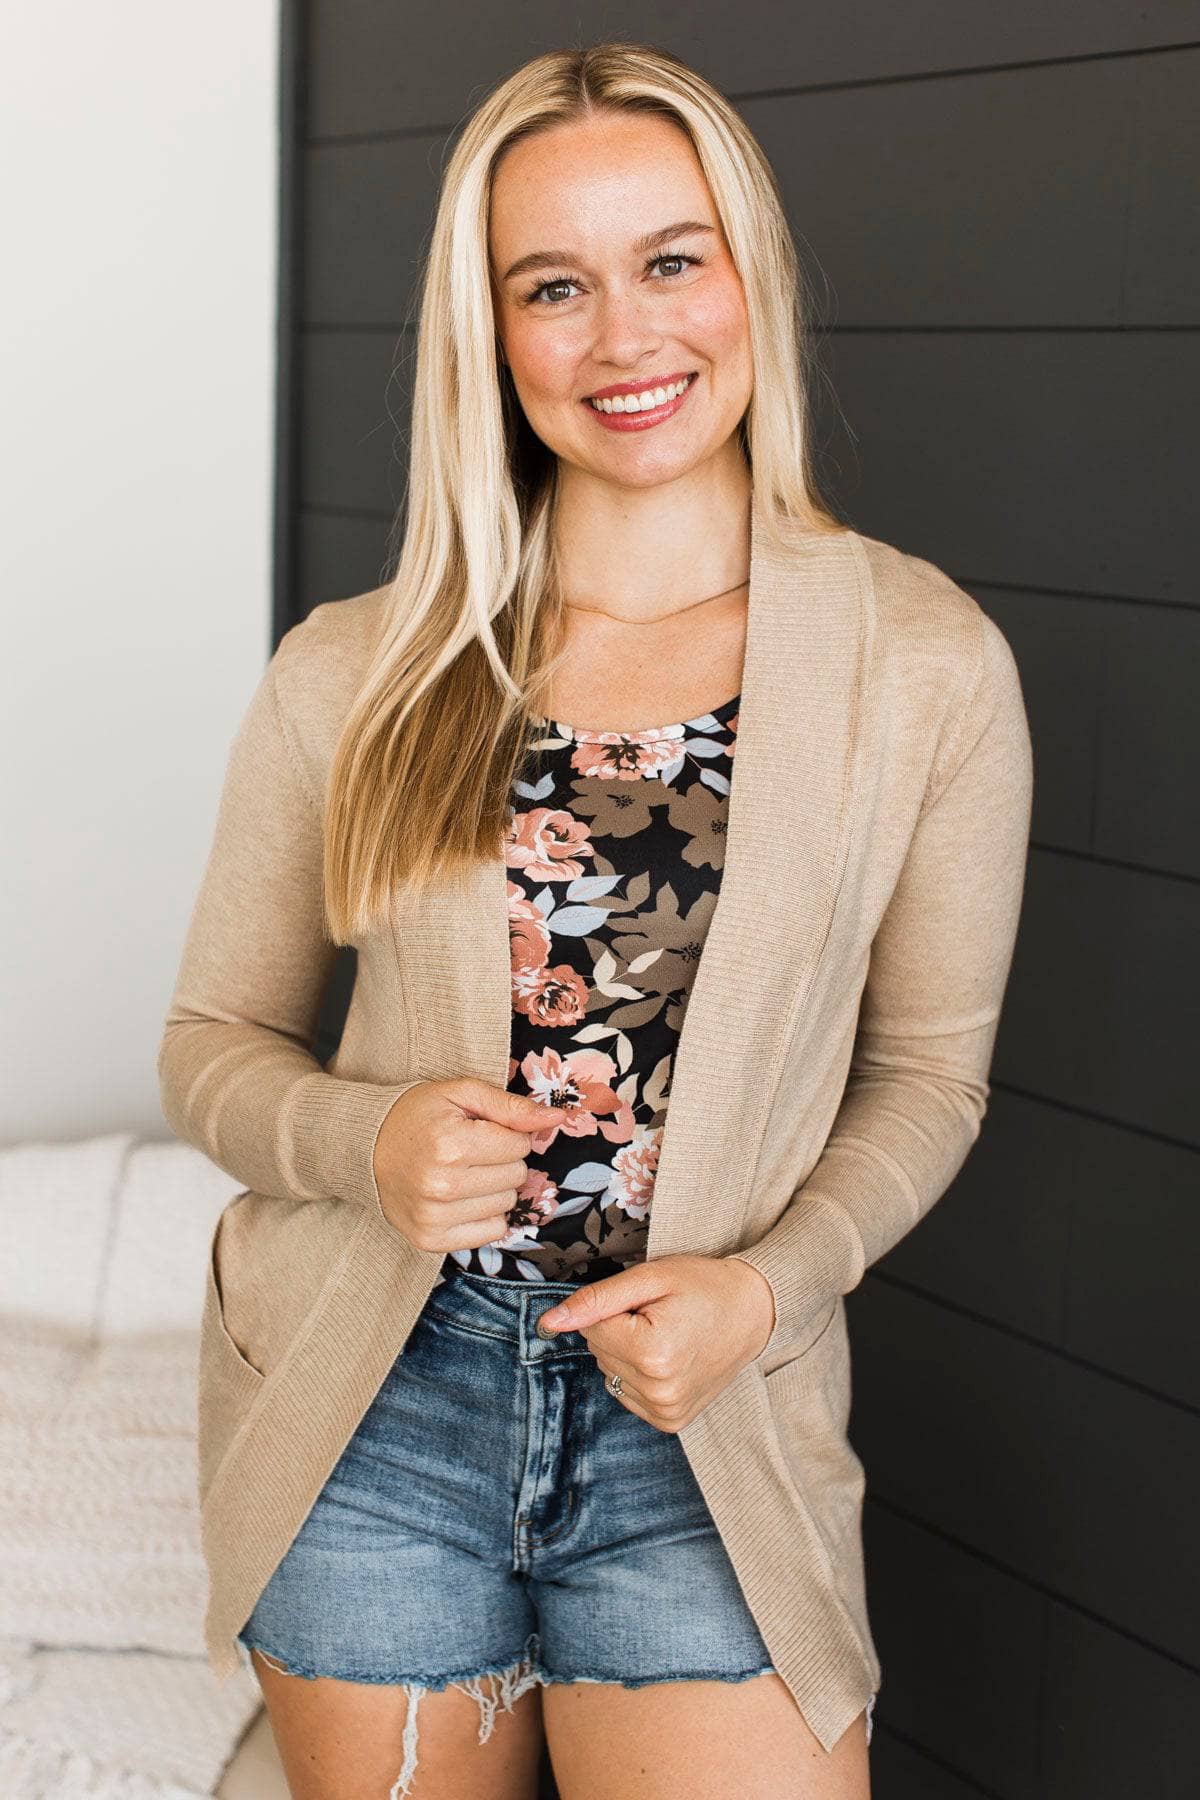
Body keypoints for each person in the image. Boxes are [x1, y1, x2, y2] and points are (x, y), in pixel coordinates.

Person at [159, 40, 1033, 1800]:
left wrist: (767, 1291)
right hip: (371, 1407)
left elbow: (930, 1080)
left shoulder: (925, 666)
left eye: (671, 261)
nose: (625, 337)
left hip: (706, 1412)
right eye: (553, 286)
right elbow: (209, 1047)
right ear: (490, 334)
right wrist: (365, 1137)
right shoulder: (362, 666)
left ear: (749, 274)